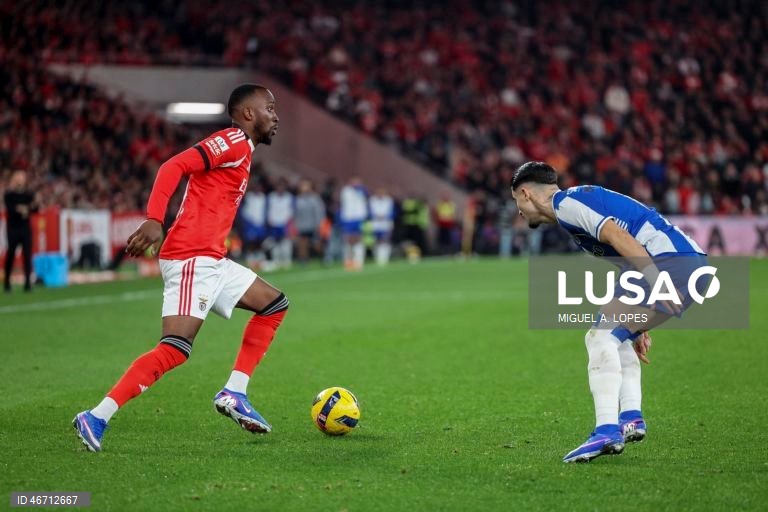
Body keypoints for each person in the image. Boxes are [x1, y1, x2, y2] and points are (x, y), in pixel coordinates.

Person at [73, 84, 288, 452]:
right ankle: (97, 415)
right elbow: (174, 165)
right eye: (269, 108)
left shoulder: (244, 150)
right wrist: (155, 219)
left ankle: (235, 392)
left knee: (274, 304)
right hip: (191, 258)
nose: (276, 115)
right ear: (248, 113)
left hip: (211, 259)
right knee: (175, 348)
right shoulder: (233, 140)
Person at [510, 161, 707, 463]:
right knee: (615, 338)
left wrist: (658, 283)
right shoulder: (574, 207)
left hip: (670, 263)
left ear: (526, 193)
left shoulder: (566, 204)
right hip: (689, 265)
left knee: (598, 339)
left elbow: (620, 238)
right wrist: (640, 325)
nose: (519, 212)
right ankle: (630, 417)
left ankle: (605, 431)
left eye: (516, 202)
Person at [3, 170, 37, 292]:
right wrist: (25, 209)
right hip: (13, 228)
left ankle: (28, 282)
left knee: (27, 255)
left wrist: (23, 209)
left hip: (25, 228)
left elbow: (35, 208)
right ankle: (7, 282)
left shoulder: (29, 195)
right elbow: (11, 209)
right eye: (18, 177)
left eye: (22, 177)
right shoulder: (9, 195)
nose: (20, 180)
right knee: (11, 253)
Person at [293, 179, 325, 265]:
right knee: (303, 243)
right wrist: (295, 224)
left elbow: (319, 211)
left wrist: (319, 224)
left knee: (316, 244)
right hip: (302, 225)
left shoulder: (315, 198)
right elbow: (296, 213)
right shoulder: (298, 199)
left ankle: (323, 256)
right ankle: (304, 260)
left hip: (313, 225)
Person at [340, 176, 368, 270]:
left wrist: (360, 189)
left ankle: (358, 260)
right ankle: (348, 260)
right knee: (348, 239)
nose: (355, 183)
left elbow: (366, 197)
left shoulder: (362, 190)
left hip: (359, 217)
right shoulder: (346, 191)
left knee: (358, 238)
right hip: (348, 218)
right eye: (354, 181)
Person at [266, 178, 295, 269]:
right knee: (275, 245)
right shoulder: (271, 197)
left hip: (285, 223)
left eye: (282, 186)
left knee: (286, 244)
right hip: (273, 223)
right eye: (279, 186)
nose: (280, 188)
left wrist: (289, 222)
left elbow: (292, 210)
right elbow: (268, 210)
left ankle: (287, 262)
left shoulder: (289, 197)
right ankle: (276, 262)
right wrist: (269, 220)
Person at [369, 188, 395, 265]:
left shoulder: (388, 200)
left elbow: (392, 212)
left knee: (385, 240)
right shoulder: (372, 200)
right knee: (376, 241)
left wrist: (385, 216)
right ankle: (377, 257)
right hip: (375, 224)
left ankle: (384, 258)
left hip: (386, 224)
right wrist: (376, 216)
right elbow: (370, 211)